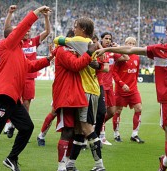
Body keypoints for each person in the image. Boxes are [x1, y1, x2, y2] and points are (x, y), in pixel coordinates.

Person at [96, 19, 167, 171]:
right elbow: (131, 50)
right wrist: (107, 50)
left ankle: (165, 161)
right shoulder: (158, 49)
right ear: (166, 32)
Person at [0, 6, 52, 171]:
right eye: (15, 32)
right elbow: (22, 27)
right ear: (11, 35)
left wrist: (49, 58)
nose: (22, 34)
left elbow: (30, 66)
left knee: (27, 127)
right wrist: (37, 11)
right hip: (4, 95)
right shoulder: (8, 45)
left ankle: (11, 159)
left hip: (13, 98)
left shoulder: (18, 51)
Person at [52, 18, 105, 171]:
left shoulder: (77, 41)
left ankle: (99, 165)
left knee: (86, 128)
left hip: (86, 89)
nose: (73, 29)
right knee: (78, 130)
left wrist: (63, 40)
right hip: (90, 89)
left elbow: (57, 39)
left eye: (75, 27)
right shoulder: (92, 43)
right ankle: (70, 164)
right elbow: (101, 64)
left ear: (82, 29)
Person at [4, 5, 51, 138]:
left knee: (26, 103)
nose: (29, 33)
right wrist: (9, 14)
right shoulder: (15, 43)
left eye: (30, 31)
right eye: (27, 31)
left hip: (30, 77)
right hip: (16, 77)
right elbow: (7, 30)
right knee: (13, 101)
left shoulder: (33, 42)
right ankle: (10, 123)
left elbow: (47, 32)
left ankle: (21, 127)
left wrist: (46, 17)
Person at [37, 28, 75, 147]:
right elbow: (52, 57)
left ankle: (75, 140)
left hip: (74, 87)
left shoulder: (79, 49)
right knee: (54, 112)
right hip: (62, 86)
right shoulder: (61, 49)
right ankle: (41, 135)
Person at [112, 37, 144, 143]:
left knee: (139, 108)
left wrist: (133, 84)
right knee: (117, 111)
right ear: (124, 44)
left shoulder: (137, 57)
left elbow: (135, 73)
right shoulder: (119, 56)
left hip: (133, 89)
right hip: (121, 90)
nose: (131, 45)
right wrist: (122, 84)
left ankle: (135, 134)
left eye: (133, 43)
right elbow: (114, 73)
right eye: (129, 43)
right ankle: (116, 134)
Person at [99, 32, 129, 143]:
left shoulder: (112, 52)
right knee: (102, 112)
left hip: (110, 87)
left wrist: (118, 48)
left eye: (109, 39)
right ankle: (102, 136)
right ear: (101, 40)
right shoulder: (98, 52)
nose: (108, 40)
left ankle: (98, 125)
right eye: (106, 38)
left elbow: (126, 57)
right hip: (100, 86)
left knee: (111, 112)